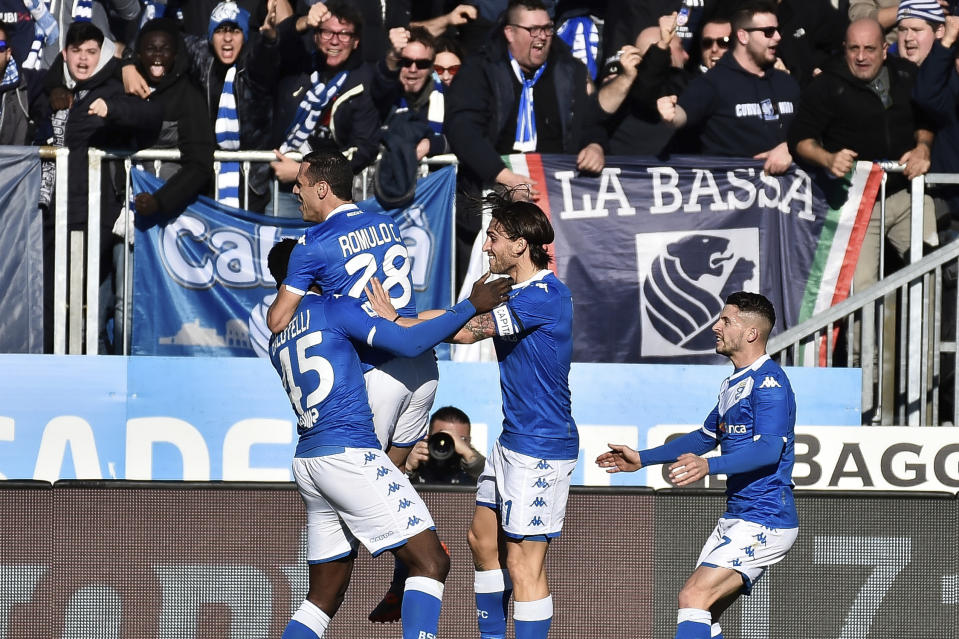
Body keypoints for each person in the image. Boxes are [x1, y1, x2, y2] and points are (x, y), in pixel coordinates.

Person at [265, 238, 511, 639]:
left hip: (310, 461)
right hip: (349, 453)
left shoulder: (279, 335)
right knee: (431, 562)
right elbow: (412, 339)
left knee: (322, 597)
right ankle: (407, 560)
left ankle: (403, 557)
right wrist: (469, 306)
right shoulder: (335, 308)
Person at [367, 189, 577, 639]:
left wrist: (395, 326)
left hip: (541, 447)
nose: (485, 247)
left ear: (521, 245)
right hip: (513, 441)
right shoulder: (513, 290)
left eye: (494, 238)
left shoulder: (544, 296)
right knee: (482, 540)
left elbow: (464, 331)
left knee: (525, 564)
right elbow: (454, 315)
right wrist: (402, 321)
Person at [596, 291, 798, 639]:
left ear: (751, 333)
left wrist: (709, 467)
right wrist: (642, 458)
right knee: (703, 612)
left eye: (725, 321)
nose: (715, 327)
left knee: (692, 596)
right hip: (740, 516)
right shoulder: (733, 383)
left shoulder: (770, 383)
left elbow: (768, 451)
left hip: (765, 519)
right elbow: (704, 438)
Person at [444, 0, 606, 286]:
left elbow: (591, 121)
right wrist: (504, 177)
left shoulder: (568, 68)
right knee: (489, 281)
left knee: (544, 279)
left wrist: (595, 145)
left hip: (550, 197)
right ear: (510, 32)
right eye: (532, 29)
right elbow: (462, 129)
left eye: (546, 29)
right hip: (489, 190)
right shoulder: (481, 67)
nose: (541, 37)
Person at [788, 17, 937, 292]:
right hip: (856, 200)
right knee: (861, 293)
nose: (860, 56)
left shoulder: (907, 75)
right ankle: (863, 337)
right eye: (853, 48)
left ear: (884, 49)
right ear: (844, 49)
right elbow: (798, 139)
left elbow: (926, 121)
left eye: (869, 49)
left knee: (930, 277)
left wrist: (923, 148)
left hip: (907, 192)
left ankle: (922, 338)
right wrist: (827, 159)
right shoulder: (826, 85)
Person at [368, 405, 486, 623]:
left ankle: (399, 591)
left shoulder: (475, 476)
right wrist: (405, 467)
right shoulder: (411, 469)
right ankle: (397, 590)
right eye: (440, 439)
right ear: (427, 438)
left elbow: (497, 485)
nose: (447, 446)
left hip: (463, 580)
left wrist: (468, 455)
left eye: (460, 441)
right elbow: (378, 494)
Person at [656, 0, 799, 176]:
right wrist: (671, 114)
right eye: (768, 32)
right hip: (732, 195)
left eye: (778, 30)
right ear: (743, 36)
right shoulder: (712, 82)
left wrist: (787, 148)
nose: (778, 37)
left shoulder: (786, 82)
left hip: (787, 196)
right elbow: (682, 114)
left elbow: (808, 133)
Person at [269, 0, 381, 218]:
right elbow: (277, 43)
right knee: (284, 251)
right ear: (316, 36)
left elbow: (364, 147)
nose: (335, 41)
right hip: (285, 191)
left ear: (356, 41)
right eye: (327, 32)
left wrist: (304, 173)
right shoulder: (299, 66)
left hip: (333, 196)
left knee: (329, 252)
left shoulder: (365, 81)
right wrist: (302, 22)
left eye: (343, 34)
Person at [0, 19, 45, 145]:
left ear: (8, 53)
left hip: (14, 164)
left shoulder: (26, 84)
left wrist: (60, 91)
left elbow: (55, 79)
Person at [896, 0, 945, 66]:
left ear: (939, 31)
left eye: (916, 30)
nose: (908, 37)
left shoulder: (952, 73)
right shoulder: (888, 70)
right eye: (903, 30)